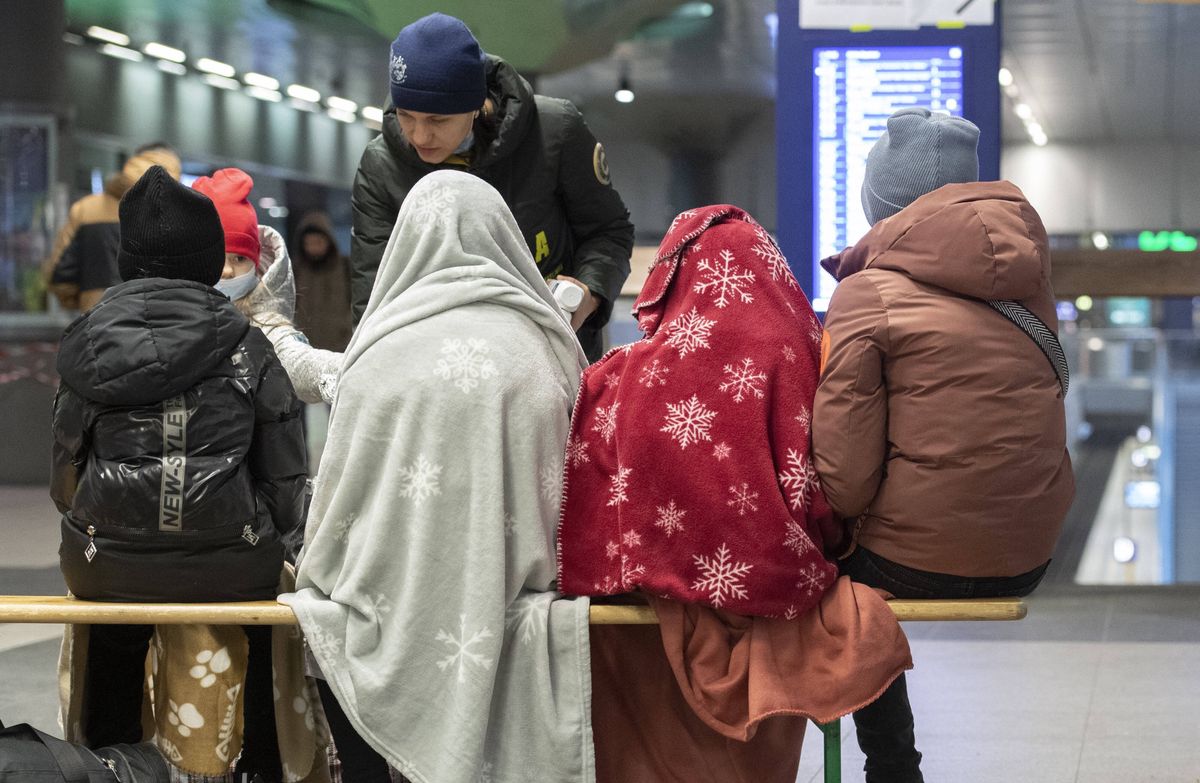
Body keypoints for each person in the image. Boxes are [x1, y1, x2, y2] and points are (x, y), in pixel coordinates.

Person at [557, 205, 911, 781]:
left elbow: (588, 503)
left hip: (642, 609)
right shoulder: (806, 353)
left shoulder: (625, 375)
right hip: (778, 587)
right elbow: (829, 491)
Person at [281, 170, 594, 783]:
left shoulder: (377, 357)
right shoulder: (544, 354)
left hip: (382, 617)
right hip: (523, 619)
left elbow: (339, 508)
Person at [812, 107, 1076, 783]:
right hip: (1031, 553)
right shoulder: (1029, 283)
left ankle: (893, 767)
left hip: (918, 561)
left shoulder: (867, 293)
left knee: (830, 578)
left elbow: (842, 477)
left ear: (881, 203)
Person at [50, 166, 308, 782]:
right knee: (265, 627)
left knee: (111, 636)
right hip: (231, 561)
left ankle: (110, 762)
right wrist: (258, 531)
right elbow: (284, 475)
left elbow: (65, 474)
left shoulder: (85, 343)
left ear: (128, 260)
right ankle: (259, 767)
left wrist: (100, 529)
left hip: (104, 562)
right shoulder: (248, 344)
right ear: (207, 259)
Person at [350, 12, 633, 361]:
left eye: (438, 120)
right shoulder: (382, 165)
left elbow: (609, 232)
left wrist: (587, 292)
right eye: (406, 115)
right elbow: (374, 294)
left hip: (551, 357)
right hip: (441, 363)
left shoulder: (554, 134)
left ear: (474, 105)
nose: (420, 136)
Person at [42, 142, 181, 311]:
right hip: (165, 321)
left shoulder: (86, 210)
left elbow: (60, 277)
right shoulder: (186, 212)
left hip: (98, 321)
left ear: (133, 162)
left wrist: (88, 302)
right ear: (175, 166)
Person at [291, 212, 353, 353]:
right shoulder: (295, 270)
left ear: (328, 241)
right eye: (309, 243)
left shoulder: (345, 267)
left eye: (318, 242)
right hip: (304, 351)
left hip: (341, 349)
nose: (313, 248)